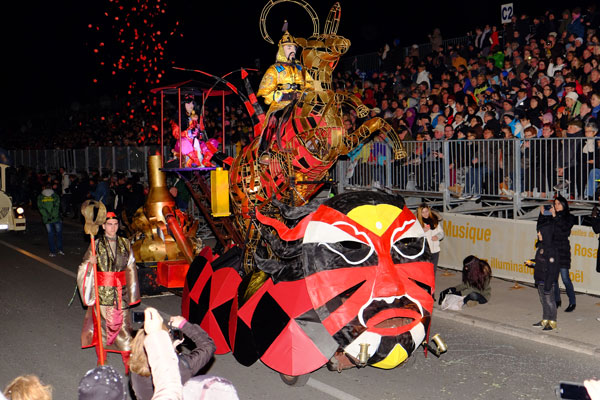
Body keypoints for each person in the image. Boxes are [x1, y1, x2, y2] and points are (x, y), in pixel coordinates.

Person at [77, 211, 141, 371]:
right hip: (102, 293)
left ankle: (128, 363)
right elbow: (83, 267)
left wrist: (133, 293)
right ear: (103, 226)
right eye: (109, 225)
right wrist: (90, 264)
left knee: (124, 327)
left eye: (115, 224)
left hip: (121, 292)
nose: (113, 228)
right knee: (103, 329)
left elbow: (131, 268)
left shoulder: (125, 243)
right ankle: (102, 359)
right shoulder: (96, 244)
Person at [129, 313, 216, 400]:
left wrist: (170, 348)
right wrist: (184, 325)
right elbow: (208, 346)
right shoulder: (182, 366)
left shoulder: (134, 365)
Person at [256, 30, 306, 161]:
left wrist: (307, 93)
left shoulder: (301, 69)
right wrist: (280, 96)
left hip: (300, 102)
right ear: (282, 50)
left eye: (294, 47)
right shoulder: (274, 69)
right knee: (274, 118)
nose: (293, 50)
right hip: (281, 103)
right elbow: (264, 91)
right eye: (289, 47)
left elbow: (310, 85)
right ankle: (265, 151)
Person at [536, 195, 576, 312]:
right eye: (555, 203)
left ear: (564, 205)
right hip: (552, 250)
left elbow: (563, 231)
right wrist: (542, 215)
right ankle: (557, 300)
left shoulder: (569, 217)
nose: (556, 206)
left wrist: (554, 216)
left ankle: (572, 301)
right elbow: (541, 229)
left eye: (559, 204)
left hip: (562, 251)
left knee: (565, 277)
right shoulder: (550, 216)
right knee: (553, 278)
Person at [526, 222, 560, 331]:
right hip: (540, 279)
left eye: (540, 233)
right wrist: (533, 262)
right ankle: (545, 319)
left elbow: (552, 268)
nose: (538, 234)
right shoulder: (541, 246)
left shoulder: (552, 249)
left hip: (547, 280)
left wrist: (548, 284)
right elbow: (541, 262)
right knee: (544, 300)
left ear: (546, 233)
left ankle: (552, 322)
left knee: (550, 301)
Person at [37, 182, 64, 257]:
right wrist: (53, 215)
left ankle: (52, 252)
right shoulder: (55, 196)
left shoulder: (40, 197)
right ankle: (60, 250)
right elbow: (56, 206)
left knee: (50, 235)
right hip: (56, 218)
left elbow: (41, 208)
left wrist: (47, 216)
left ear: (44, 188)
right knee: (58, 234)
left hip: (47, 219)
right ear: (51, 188)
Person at [416, 203, 444, 274]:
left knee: (433, 270)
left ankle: (432, 282)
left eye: (426, 211)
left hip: (435, 250)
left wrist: (437, 236)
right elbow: (414, 236)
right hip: (424, 251)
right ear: (420, 213)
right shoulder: (417, 223)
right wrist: (423, 231)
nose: (425, 214)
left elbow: (441, 233)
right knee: (425, 271)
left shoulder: (435, 221)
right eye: (423, 212)